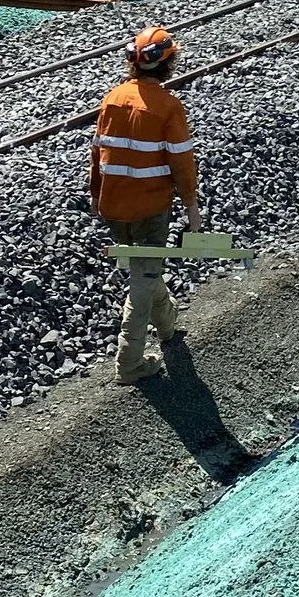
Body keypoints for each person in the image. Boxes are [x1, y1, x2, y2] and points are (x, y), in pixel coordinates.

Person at [89, 25, 202, 384]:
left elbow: (98, 151)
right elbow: (181, 162)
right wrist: (192, 207)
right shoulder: (168, 106)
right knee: (142, 280)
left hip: (112, 205)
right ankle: (129, 363)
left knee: (144, 268)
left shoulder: (112, 98)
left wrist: (96, 195)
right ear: (169, 65)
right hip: (150, 207)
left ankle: (167, 327)